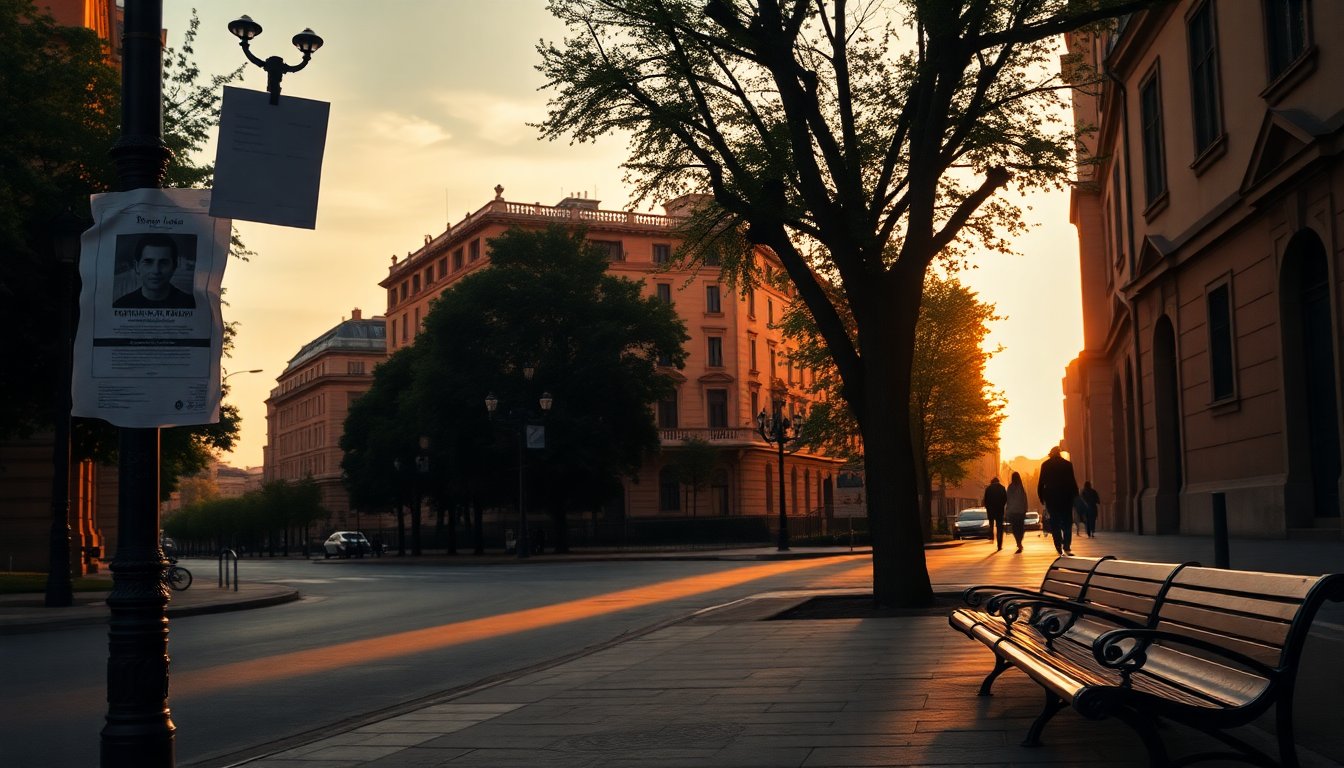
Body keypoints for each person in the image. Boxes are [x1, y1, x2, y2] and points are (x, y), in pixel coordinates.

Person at [113, 233, 195, 309]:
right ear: (137, 266)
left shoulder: (190, 304)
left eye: (163, 263)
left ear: (174, 267)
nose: (156, 271)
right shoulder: (120, 305)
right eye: (148, 262)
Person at [1037, 445, 1080, 556]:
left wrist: (1041, 498)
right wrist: (1076, 495)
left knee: (1055, 523)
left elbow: (1041, 483)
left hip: (1051, 499)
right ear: (1060, 453)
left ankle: (1058, 545)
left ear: (1051, 454)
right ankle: (1067, 545)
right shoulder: (1067, 464)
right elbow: (1072, 482)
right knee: (1067, 522)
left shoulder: (1045, 465)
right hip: (1066, 498)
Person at [981, 477, 1008, 551]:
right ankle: (999, 545)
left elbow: (985, 500)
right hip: (999, 510)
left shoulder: (988, 489)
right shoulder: (1002, 488)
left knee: (991, 524)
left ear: (992, 482)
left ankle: (991, 534)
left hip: (991, 511)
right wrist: (1002, 505)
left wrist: (988, 507)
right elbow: (1005, 499)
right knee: (999, 527)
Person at [1004, 472, 1028, 553]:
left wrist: (1007, 510)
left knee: (1015, 528)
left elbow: (1008, 499)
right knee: (1020, 528)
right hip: (1020, 511)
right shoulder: (1021, 487)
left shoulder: (1010, 487)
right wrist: (1025, 508)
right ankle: (1019, 541)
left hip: (1013, 512)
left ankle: (1018, 541)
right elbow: (1024, 499)